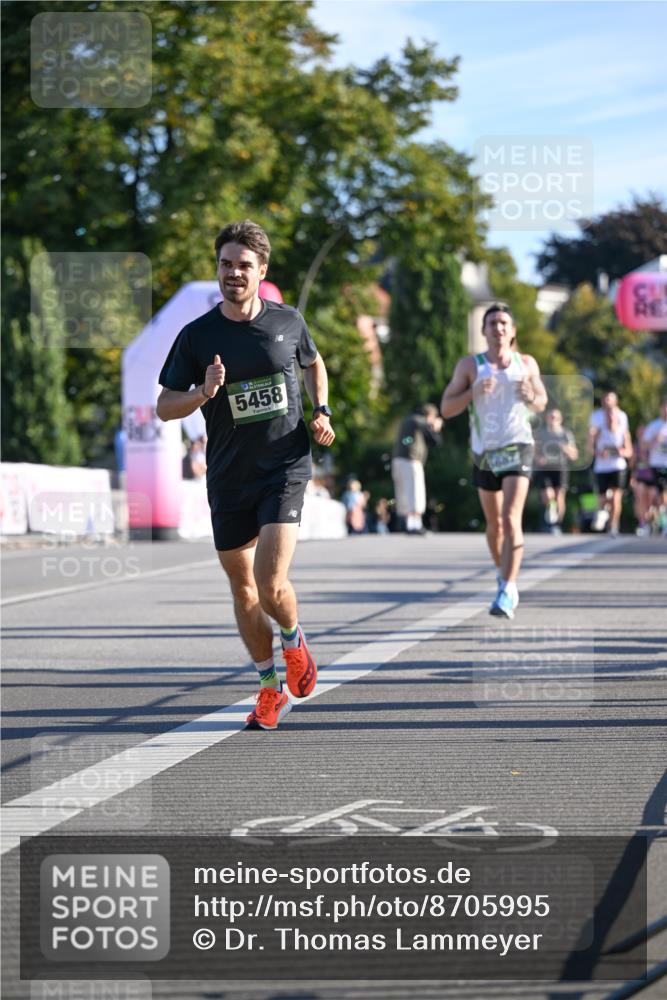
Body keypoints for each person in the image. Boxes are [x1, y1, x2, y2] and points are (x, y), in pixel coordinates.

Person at [156, 219, 335, 730]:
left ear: (262, 272)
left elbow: (314, 364)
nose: (233, 273)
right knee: (244, 591)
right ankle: (267, 687)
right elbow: (165, 406)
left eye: (243, 265)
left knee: (270, 580)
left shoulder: (289, 322)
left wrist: (322, 411)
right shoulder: (197, 336)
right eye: (225, 264)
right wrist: (202, 394)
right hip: (229, 476)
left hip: (284, 465)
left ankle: (294, 639)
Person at [441, 302, 547, 619]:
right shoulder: (470, 367)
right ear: (484, 331)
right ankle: (503, 574)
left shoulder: (526, 363)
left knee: (511, 518)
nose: (498, 328)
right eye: (492, 323)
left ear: (512, 331)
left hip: (518, 446)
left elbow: (542, 401)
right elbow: (447, 408)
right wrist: (471, 392)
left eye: (504, 323)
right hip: (486, 452)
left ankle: (509, 588)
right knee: (495, 525)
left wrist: (532, 395)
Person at [391, 403, 443, 534]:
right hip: (411, 460)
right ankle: (415, 525)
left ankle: (408, 525)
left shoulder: (408, 419)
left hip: (398, 459)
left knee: (404, 492)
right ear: (430, 415)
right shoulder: (420, 421)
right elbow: (435, 441)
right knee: (415, 492)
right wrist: (435, 428)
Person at [587, 390, 632, 536]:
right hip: (602, 465)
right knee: (602, 498)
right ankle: (604, 512)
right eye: (606, 399)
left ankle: (613, 525)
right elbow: (590, 442)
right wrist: (598, 452)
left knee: (616, 497)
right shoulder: (596, 417)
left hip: (618, 465)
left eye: (611, 400)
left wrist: (622, 452)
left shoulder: (622, 417)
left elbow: (627, 445)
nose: (608, 402)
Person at [533, 408, 579, 532]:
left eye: (556, 417)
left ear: (560, 420)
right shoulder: (541, 434)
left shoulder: (565, 434)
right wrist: (539, 459)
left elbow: (574, 455)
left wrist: (566, 449)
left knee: (559, 497)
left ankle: (556, 524)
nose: (553, 419)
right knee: (548, 495)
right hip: (544, 468)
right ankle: (551, 513)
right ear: (546, 419)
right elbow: (534, 451)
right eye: (551, 417)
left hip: (560, 468)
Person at [642, 397, 667, 532]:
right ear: (661, 409)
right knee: (660, 495)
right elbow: (643, 445)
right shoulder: (653, 426)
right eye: (664, 407)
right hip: (657, 464)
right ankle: (661, 522)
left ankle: (661, 520)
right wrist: (654, 440)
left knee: (663, 496)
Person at [630, 424, 656, 535]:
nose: (641, 435)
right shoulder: (635, 447)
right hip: (639, 477)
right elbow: (631, 465)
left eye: (643, 432)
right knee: (640, 498)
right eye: (639, 432)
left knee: (650, 501)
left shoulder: (652, 446)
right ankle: (642, 523)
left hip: (652, 477)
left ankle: (651, 520)